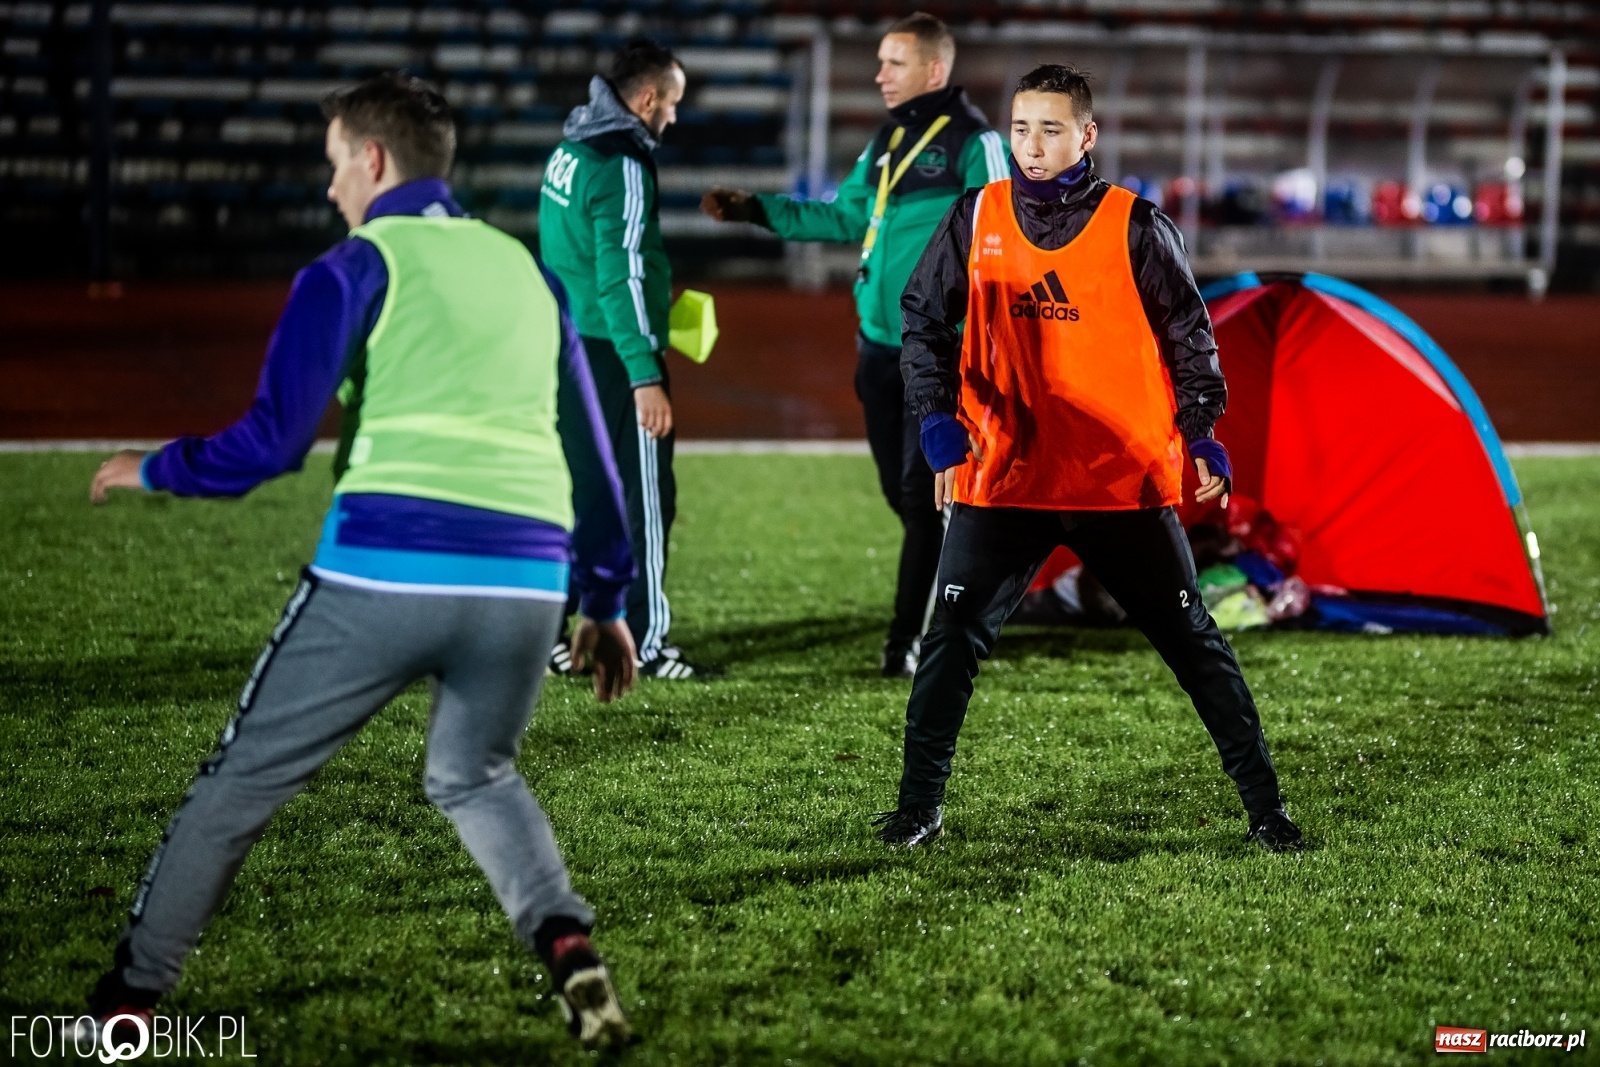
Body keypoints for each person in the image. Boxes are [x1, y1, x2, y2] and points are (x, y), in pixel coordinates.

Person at [78, 73, 637, 1051]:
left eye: (335, 163)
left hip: (388, 570)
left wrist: (155, 466)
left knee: (241, 781)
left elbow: (272, 441)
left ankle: (124, 1008)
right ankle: (566, 943)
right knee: (475, 773)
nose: (331, 185)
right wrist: (605, 597)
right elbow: (593, 449)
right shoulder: (526, 273)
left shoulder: (351, 265)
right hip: (524, 584)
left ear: (372, 161)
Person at [872, 64, 1305, 853]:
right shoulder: (975, 216)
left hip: (1121, 483)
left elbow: (1190, 341)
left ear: (1087, 135)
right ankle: (917, 809)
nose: (1032, 147)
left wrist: (1202, 429)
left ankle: (1267, 809)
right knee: (950, 643)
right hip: (1004, 479)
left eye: (1050, 129)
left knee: (1194, 644)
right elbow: (923, 321)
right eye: (1021, 128)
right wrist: (936, 419)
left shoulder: (1138, 226)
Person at [701, 13, 1008, 678]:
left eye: (893, 63)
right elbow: (844, 215)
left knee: (922, 500)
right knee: (902, 498)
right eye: (879, 62)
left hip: (938, 355)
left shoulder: (974, 143)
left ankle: (908, 643)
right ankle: (973, 582)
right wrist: (758, 210)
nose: (878, 76)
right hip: (876, 347)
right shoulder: (889, 139)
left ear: (934, 69)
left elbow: (998, 238)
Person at [539, 39, 701, 680]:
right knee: (644, 499)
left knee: (582, 491)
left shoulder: (569, 148)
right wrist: (645, 372)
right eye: (673, 104)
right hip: (613, 355)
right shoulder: (624, 162)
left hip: (570, 345)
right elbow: (621, 276)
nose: (674, 118)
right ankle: (643, 638)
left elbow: (571, 258)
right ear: (647, 99)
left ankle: (569, 629)